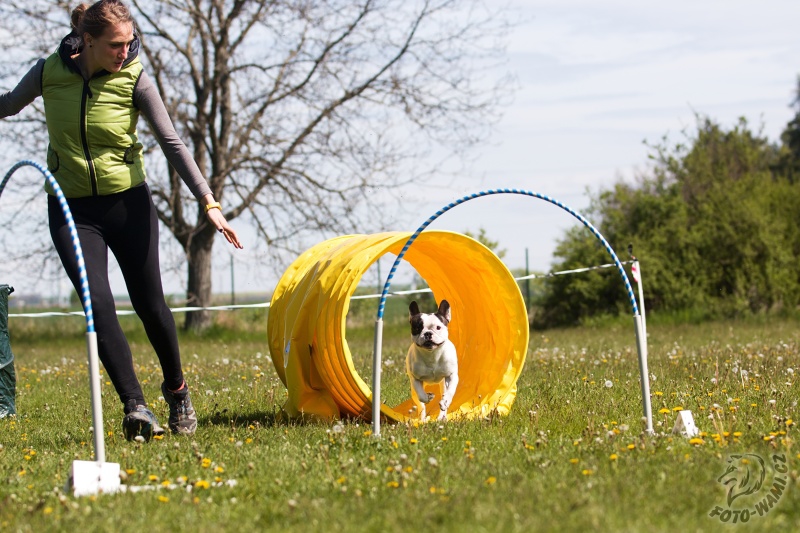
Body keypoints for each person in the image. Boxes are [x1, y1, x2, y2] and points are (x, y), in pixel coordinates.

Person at [0, 0, 243, 441]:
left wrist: (208, 201)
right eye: (116, 44)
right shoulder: (48, 72)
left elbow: (171, 142)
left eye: (130, 42)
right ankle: (135, 406)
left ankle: (177, 390)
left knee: (151, 305)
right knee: (98, 303)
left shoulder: (134, 77)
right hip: (71, 208)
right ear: (87, 42)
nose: (124, 51)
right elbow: (7, 105)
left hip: (127, 204)